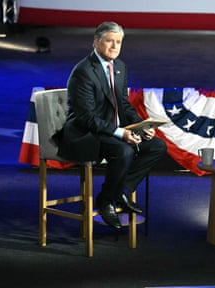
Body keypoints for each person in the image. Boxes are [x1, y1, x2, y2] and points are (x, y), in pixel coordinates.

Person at [55, 21, 167, 229]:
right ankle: (106, 200)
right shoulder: (84, 71)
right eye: (109, 41)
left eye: (118, 42)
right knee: (123, 150)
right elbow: (86, 118)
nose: (115, 47)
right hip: (85, 133)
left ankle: (119, 192)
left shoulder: (120, 67)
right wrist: (120, 133)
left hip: (110, 131)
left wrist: (140, 127)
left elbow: (123, 104)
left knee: (157, 146)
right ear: (96, 42)